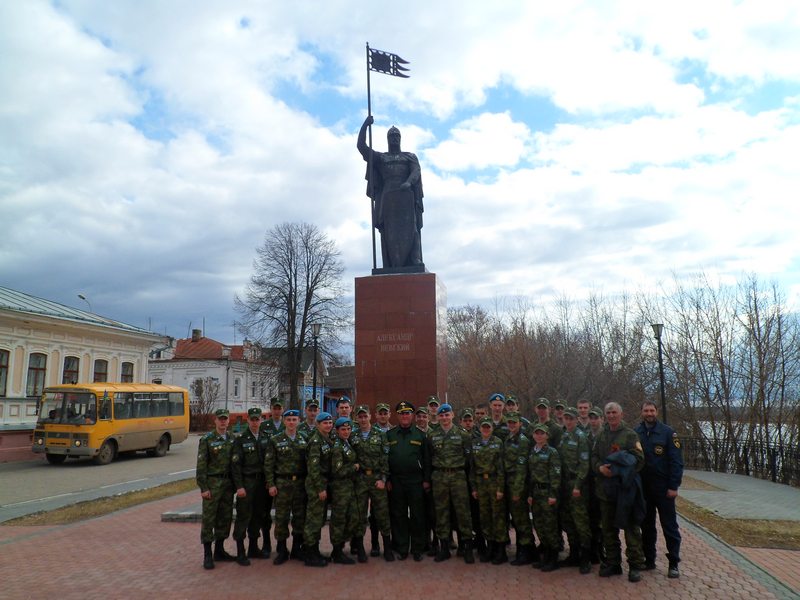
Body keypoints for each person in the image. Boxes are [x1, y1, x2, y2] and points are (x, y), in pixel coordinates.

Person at [357, 115, 424, 269]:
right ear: (388, 139)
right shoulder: (381, 157)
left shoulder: (409, 156)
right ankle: (389, 263)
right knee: (388, 232)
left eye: (397, 136)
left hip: (406, 196)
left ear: (400, 138)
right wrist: (365, 125)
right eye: (391, 136)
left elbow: (416, 171)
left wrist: (408, 182)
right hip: (388, 198)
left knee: (411, 228)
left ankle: (415, 259)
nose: (394, 138)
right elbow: (361, 147)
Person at [591, 402, 647, 583]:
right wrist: (600, 468)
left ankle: (635, 566)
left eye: (614, 412)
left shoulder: (630, 435)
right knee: (608, 529)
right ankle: (613, 562)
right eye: (608, 413)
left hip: (625, 490)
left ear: (621, 414)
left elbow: (639, 460)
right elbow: (594, 457)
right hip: (605, 491)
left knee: (631, 529)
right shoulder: (601, 434)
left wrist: (618, 468)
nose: (611, 416)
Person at [635, 401, 684, 579]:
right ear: (641, 412)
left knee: (669, 527)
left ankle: (673, 563)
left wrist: (673, 486)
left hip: (663, 489)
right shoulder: (636, 433)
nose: (649, 413)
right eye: (646, 410)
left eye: (652, 410)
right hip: (644, 489)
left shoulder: (668, 433)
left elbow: (676, 462)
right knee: (646, 526)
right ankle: (649, 559)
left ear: (657, 412)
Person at [428, 403, 475, 564]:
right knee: (441, 513)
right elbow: (430, 457)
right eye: (441, 415)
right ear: (438, 417)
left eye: (447, 414)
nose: (444, 418)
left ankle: (467, 547)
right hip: (440, 477)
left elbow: (469, 460)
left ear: (452, 415)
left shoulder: (463, 435)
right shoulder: (433, 435)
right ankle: (444, 548)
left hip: (458, 477)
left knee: (463, 513)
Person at [386, 401, 430, 560]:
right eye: (402, 413)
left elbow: (426, 459)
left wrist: (426, 479)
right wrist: (388, 478)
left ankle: (417, 548)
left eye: (407, 413)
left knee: (418, 515)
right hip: (397, 480)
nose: (405, 416)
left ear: (412, 415)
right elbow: (386, 459)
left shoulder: (420, 435)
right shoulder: (390, 435)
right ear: (397, 416)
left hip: (415, 481)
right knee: (399, 515)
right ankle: (402, 546)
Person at [263, 408, 307, 565]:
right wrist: (271, 484)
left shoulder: (304, 439)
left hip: (300, 484)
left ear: (299, 422)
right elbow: (269, 464)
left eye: (294, 420)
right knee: (281, 517)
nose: (291, 422)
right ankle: (282, 550)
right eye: (289, 420)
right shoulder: (275, 440)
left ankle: (296, 548)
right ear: (284, 421)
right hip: (282, 484)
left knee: (299, 517)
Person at [352, 405, 394, 562]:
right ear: (357, 418)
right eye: (360, 417)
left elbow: (385, 458)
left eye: (365, 416)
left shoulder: (380, 435)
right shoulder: (353, 435)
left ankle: (387, 548)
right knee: (360, 515)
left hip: (377, 480)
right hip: (361, 480)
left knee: (382, 514)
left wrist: (383, 479)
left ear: (370, 416)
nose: (363, 419)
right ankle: (361, 549)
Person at [196, 408, 236, 570]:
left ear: (228, 420)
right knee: (209, 519)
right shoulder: (207, 439)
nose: (223, 422)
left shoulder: (232, 438)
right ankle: (207, 554)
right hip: (212, 484)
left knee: (225, 517)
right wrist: (203, 487)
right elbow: (201, 466)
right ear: (215, 421)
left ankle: (219, 550)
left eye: (225, 419)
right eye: (220, 419)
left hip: (227, 485)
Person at [231, 407, 270, 565]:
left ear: (261, 420)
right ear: (248, 420)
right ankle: (241, 552)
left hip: (261, 483)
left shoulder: (265, 437)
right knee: (243, 516)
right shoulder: (241, 439)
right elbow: (235, 465)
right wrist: (239, 486)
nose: (255, 422)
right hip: (247, 483)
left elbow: (269, 462)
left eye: (257, 419)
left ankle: (254, 548)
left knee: (258, 515)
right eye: (252, 419)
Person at [558, 407, 592, 574]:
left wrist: (578, 485)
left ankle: (585, 558)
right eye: (566, 418)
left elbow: (585, 464)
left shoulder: (581, 437)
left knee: (581, 522)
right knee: (568, 521)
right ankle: (573, 554)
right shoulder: (564, 436)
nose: (568, 421)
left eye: (571, 418)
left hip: (576, 484)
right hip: (564, 484)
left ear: (576, 420)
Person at [471, 419, 507, 565]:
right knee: (485, 516)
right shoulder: (475, 443)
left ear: (492, 428)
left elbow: (501, 468)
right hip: (481, 483)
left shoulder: (498, 442)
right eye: (483, 427)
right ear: (479, 428)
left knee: (498, 516)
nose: (485, 429)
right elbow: (472, 468)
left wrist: (500, 488)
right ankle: (490, 547)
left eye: (488, 427)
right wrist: (473, 487)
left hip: (494, 482)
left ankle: (501, 550)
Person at [527, 423, 561, 572]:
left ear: (547, 435)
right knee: (539, 525)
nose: (539, 436)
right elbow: (530, 475)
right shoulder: (532, 452)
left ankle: (553, 558)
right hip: (536, 493)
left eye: (542, 433)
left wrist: (553, 494)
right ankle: (545, 556)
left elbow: (556, 475)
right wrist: (529, 494)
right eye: (537, 433)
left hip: (547, 493)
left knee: (550, 526)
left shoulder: (552, 452)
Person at [503, 411, 536, 566]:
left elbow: (522, 468)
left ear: (520, 424)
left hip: (518, 484)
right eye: (509, 422)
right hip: (509, 482)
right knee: (516, 519)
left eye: (514, 423)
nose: (511, 425)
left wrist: (517, 490)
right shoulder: (508, 439)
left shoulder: (523, 441)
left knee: (522, 519)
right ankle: (523, 549)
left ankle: (526, 550)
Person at [303, 411, 335, 566]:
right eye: (325, 423)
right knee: (313, 520)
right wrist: (320, 488)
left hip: (323, 483)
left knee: (319, 519)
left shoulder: (325, 439)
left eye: (330, 423)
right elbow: (313, 468)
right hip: (317, 485)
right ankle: (310, 554)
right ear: (318, 424)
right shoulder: (316, 441)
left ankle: (315, 551)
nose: (328, 425)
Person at [328, 418, 361, 565]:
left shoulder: (346, 444)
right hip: (340, 489)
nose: (346, 432)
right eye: (343, 429)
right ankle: (336, 551)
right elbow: (337, 471)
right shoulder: (337, 447)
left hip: (349, 487)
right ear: (337, 431)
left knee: (353, 517)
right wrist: (353, 467)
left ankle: (341, 545)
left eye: (348, 429)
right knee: (338, 520)